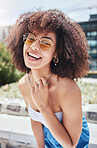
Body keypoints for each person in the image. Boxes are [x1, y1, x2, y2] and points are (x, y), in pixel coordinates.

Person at [5, 9, 90, 148]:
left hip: (72, 140)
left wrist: (43, 106)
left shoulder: (68, 88)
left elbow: (70, 145)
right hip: (49, 135)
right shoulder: (23, 84)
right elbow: (35, 122)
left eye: (45, 43)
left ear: (56, 53)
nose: (33, 46)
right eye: (30, 38)